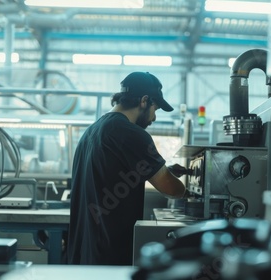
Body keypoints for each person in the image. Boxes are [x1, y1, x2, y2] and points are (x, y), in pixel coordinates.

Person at [67, 71, 188, 265]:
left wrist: (165, 170)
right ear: (144, 101)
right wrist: (189, 191)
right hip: (109, 257)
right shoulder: (131, 134)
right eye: (155, 109)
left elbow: (113, 172)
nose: (154, 117)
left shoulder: (93, 130)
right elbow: (173, 189)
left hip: (86, 254)